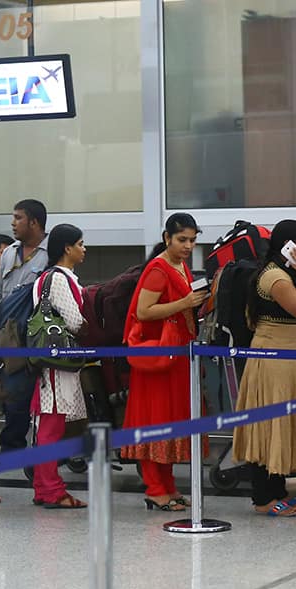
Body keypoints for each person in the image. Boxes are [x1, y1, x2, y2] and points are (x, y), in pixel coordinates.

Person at [233, 219, 296, 517]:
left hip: (291, 358)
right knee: (268, 427)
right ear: (287, 246)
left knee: (282, 426)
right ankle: (263, 498)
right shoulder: (276, 277)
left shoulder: (286, 273)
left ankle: (279, 491)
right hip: (275, 360)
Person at [121, 213, 206, 511]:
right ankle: (155, 488)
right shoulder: (158, 268)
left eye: (193, 240)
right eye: (182, 239)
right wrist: (185, 304)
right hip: (157, 358)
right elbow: (144, 312)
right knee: (154, 418)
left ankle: (167, 486)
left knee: (169, 419)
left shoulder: (180, 266)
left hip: (175, 355)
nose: (188, 246)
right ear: (167, 237)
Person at [31, 224, 88, 509]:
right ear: (67, 248)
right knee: (52, 426)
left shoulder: (43, 278)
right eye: (80, 243)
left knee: (47, 425)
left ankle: (44, 487)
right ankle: (53, 490)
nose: (83, 249)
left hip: (47, 361)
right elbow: (75, 321)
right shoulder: (60, 279)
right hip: (57, 362)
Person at [0, 199, 49, 454]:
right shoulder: (8, 253)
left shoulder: (51, 253)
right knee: (13, 394)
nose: (13, 223)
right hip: (10, 335)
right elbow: (1, 292)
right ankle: (12, 448)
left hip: (39, 335)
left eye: (18, 218)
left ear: (34, 222)